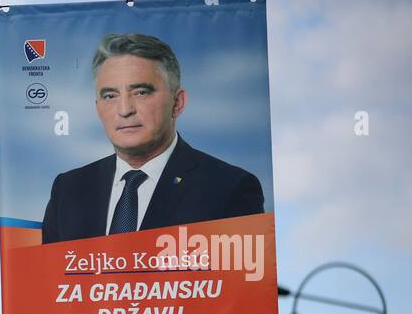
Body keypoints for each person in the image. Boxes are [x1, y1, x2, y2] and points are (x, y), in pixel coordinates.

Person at [40, 32, 264, 245]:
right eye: (110, 96)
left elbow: (241, 284)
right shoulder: (68, 190)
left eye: (141, 92)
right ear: (97, 107)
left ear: (177, 103)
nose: (125, 110)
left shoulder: (229, 189)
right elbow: (47, 282)